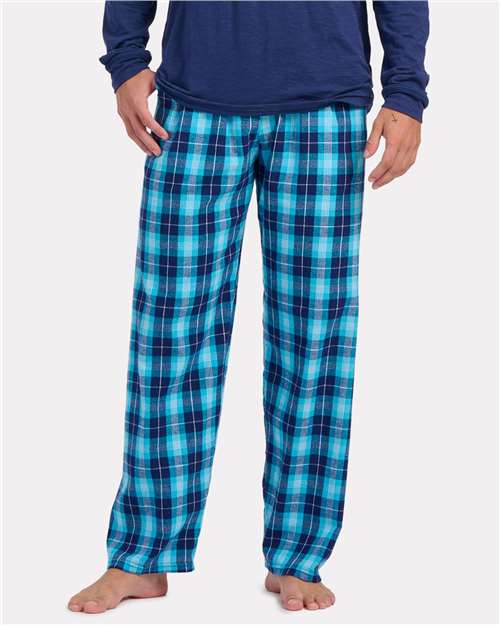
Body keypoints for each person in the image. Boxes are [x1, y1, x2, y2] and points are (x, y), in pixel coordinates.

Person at [69, 0, 429, 613]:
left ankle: (298, 557)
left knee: (314, 340)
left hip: (325, 106)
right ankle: (143, 556)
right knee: (169, 337)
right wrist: (125, 58)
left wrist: (406, 93)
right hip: (193, 105)